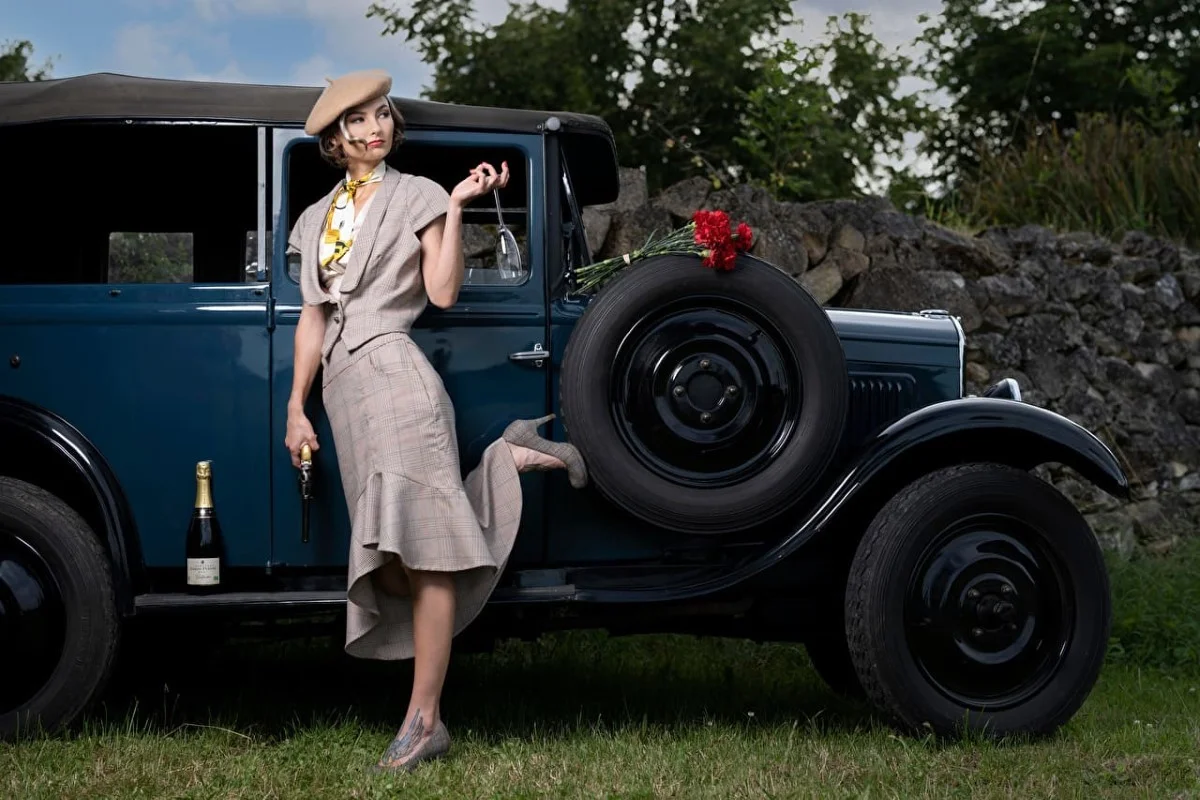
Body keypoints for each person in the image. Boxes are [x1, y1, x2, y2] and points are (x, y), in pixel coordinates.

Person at [282, 69, 588, 773]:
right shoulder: (316, 218)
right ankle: (508, 460)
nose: (375, 128)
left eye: (382, 115)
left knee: (429, 555)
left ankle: (425, 721)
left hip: (399, 380)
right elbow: (313, 318)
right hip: (346, 395)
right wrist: (297, 405)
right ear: (335, 141)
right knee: (392, 565)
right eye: (358, 121)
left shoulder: (416, 193)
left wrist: (453, 206)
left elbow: (442, 293)